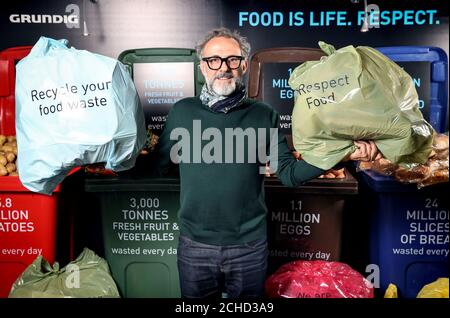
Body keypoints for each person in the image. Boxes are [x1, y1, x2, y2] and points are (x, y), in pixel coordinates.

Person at [152, 28, 380, 298]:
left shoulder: (263, 115)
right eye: (214, 60)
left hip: (249, 247)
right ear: (203, 67)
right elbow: (159, 165)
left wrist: (344, 154)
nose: (223, 68)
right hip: (194, 245)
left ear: (244, 65)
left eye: (232, 60)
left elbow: (289, 174)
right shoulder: (182, 112)